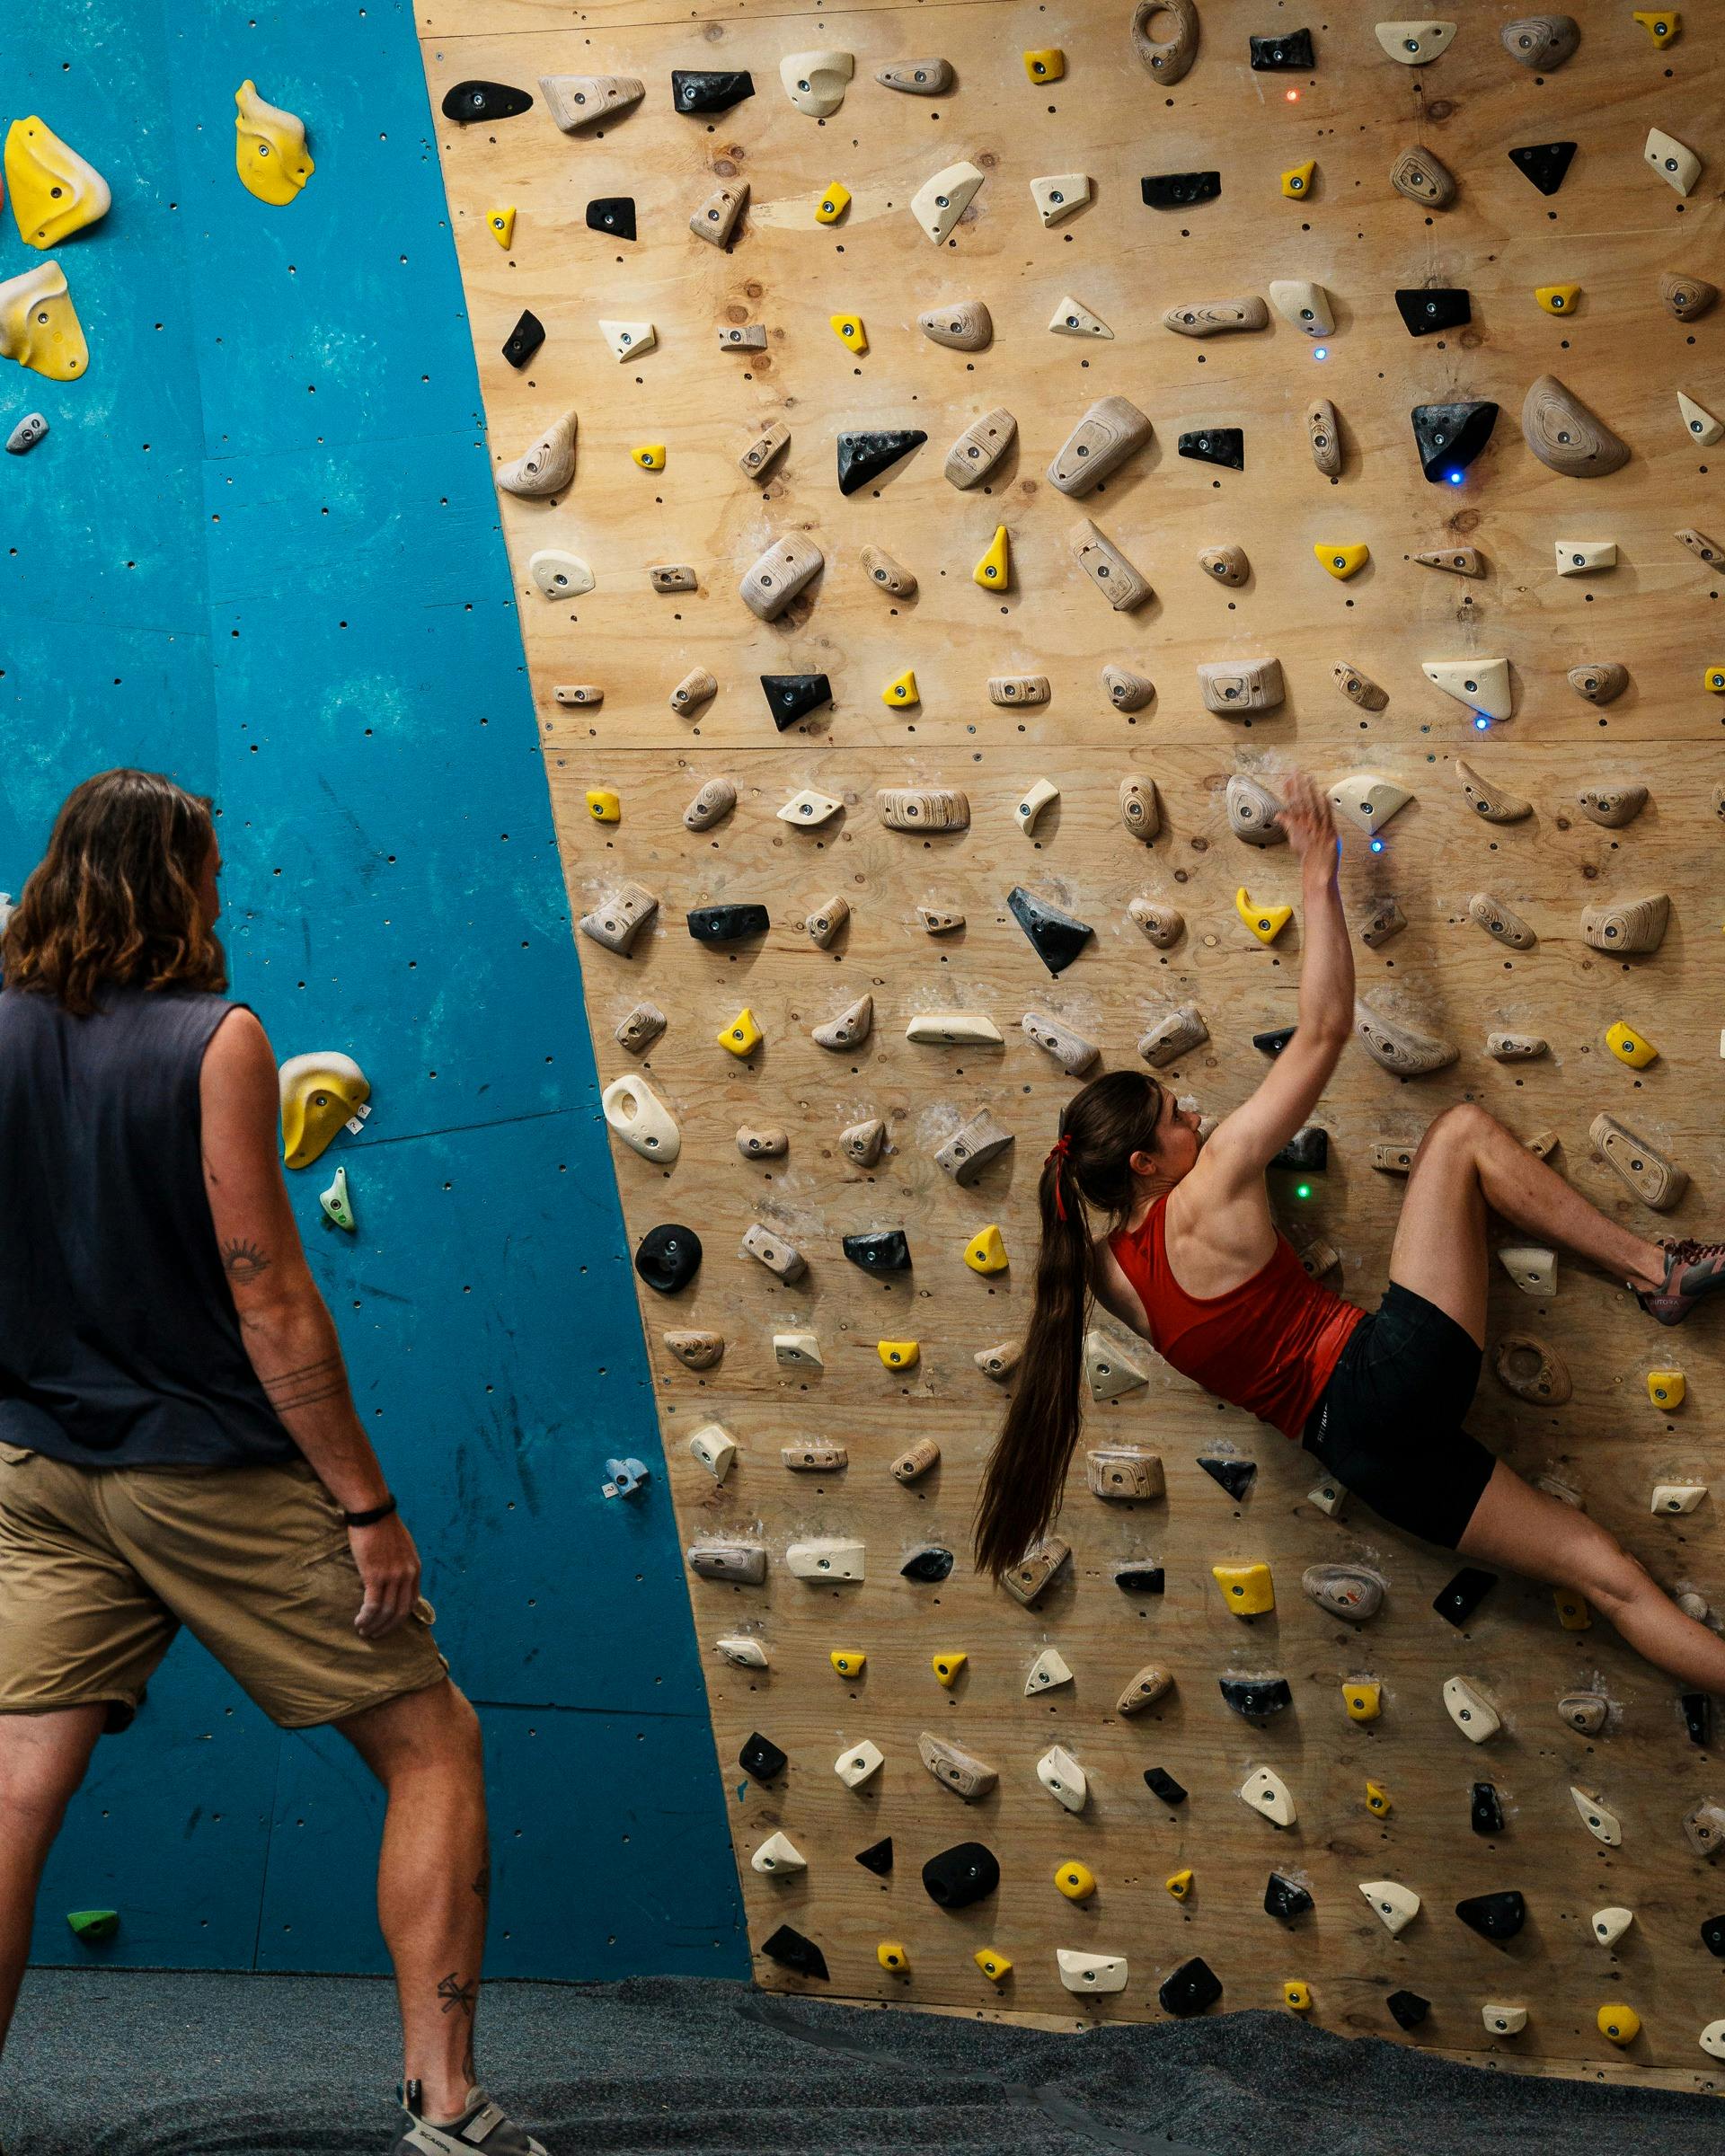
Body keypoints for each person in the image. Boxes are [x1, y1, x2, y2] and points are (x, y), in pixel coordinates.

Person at [0, 770, 548, 2156]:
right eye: (208, 869)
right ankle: (446, 2108)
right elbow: (271, 1294)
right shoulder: (217, 1038)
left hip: (40, 1470)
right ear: (175, 882)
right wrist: (366, 1505)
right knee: (435, 1745)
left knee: (11, 1793)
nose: (220, 891)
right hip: (208, 1472)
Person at [976, 771, 1725, 1693]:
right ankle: (1656, 1272)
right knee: (1460, 1134)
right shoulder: (1210, 1183)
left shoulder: (1103, 1275)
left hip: (1363, 1457)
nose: (1196, 1114)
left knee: (1609, 1578)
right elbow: (1326, 1030)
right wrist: (1318, 873)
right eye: (1175, 1115)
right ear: (1143, 1163)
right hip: (1386, 1376)